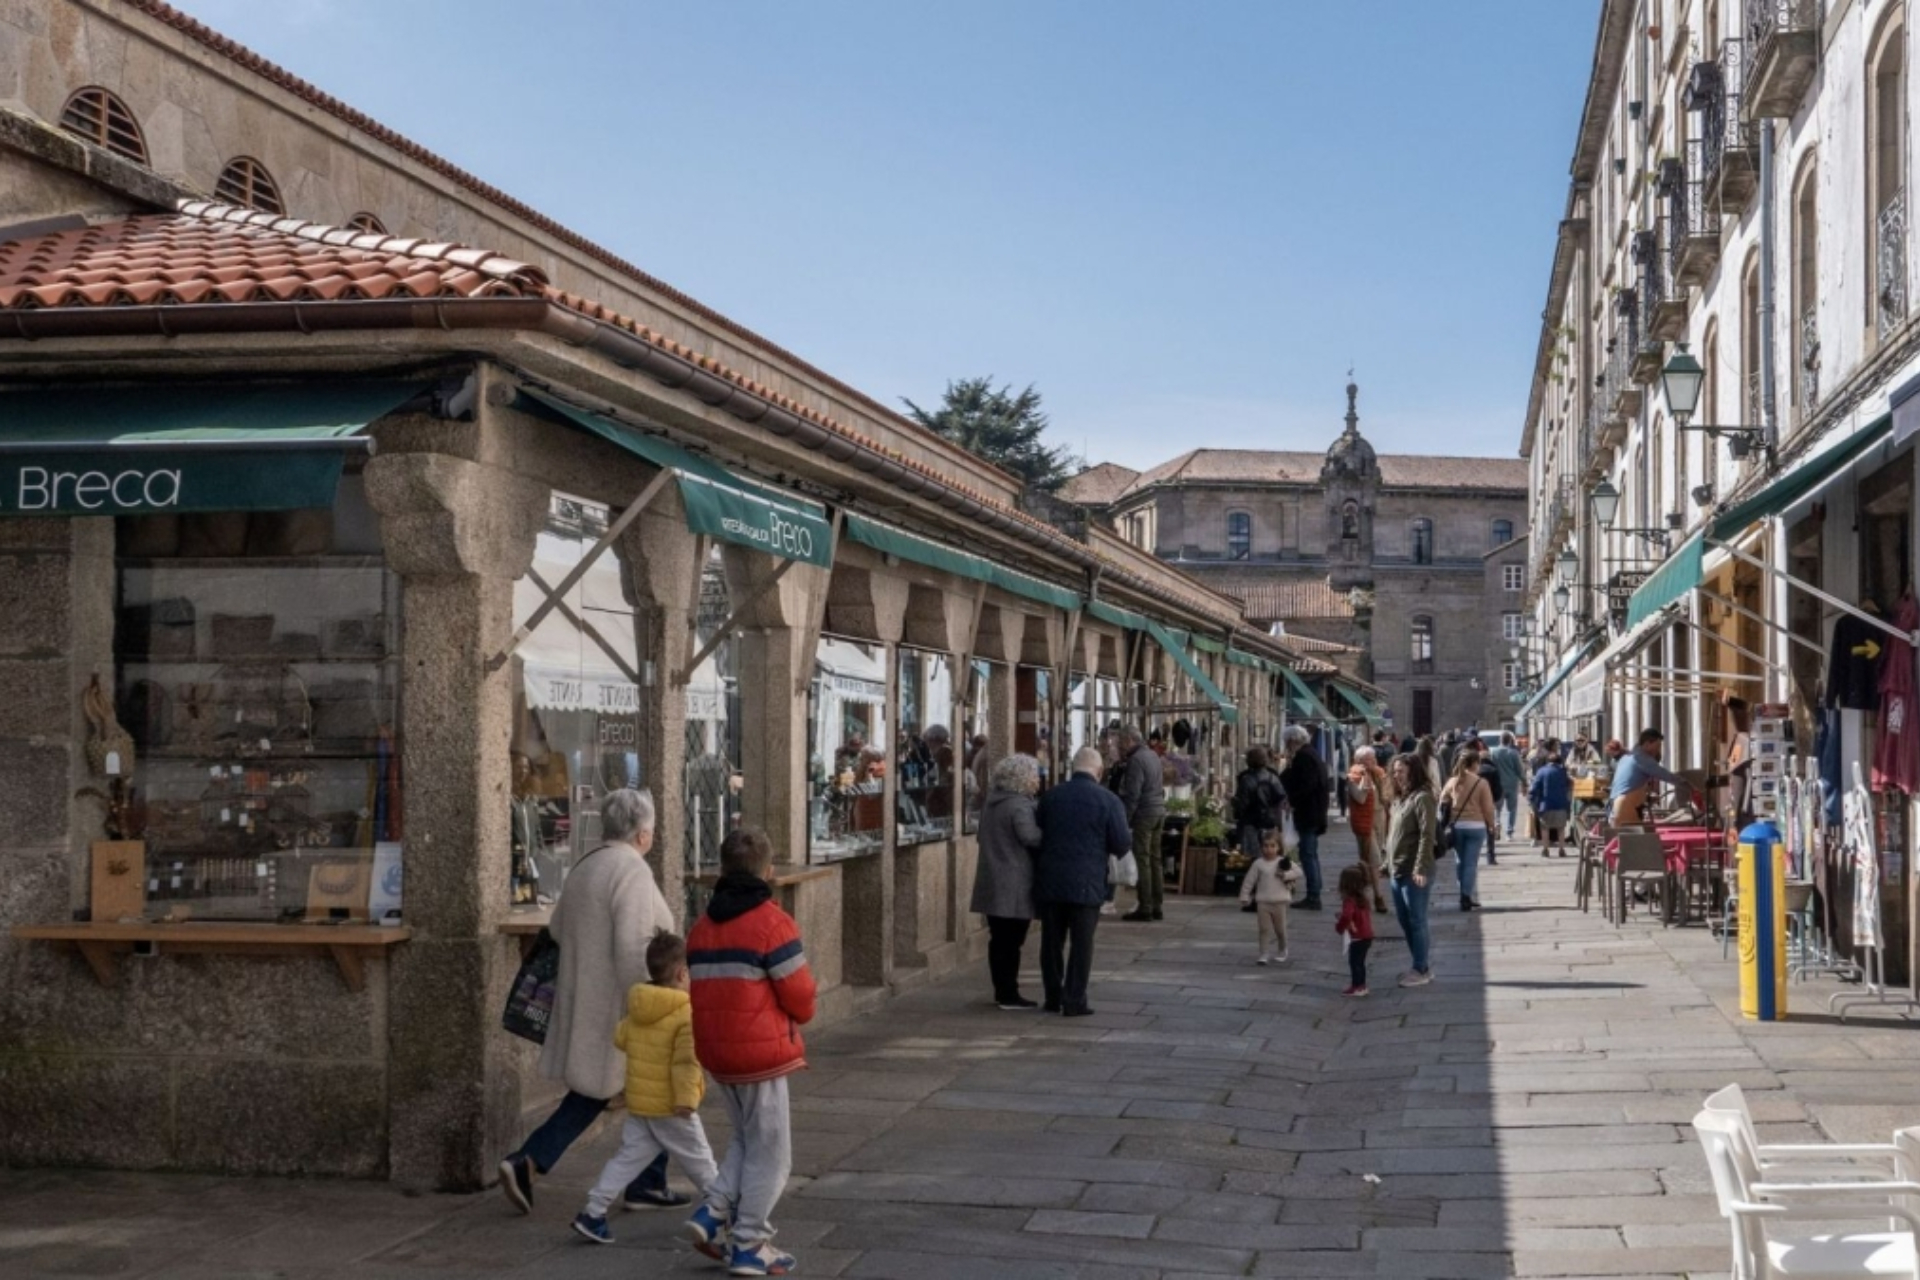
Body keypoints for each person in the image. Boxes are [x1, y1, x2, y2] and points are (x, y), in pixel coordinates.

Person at [500, 789, 680, 1216]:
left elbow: (559, 927)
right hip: (620, 1006)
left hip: (586, 998)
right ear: (641, 833)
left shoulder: (588, 865)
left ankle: (645, 1180)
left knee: (629, 1092)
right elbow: (636, 947)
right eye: (650, 829)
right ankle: (529, 1160)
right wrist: (656, 1003)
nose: (651, 836)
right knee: (641, 1090)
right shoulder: (631, 872)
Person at [684, 827, 816, 1277]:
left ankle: (713, 1210)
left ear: (722, 870)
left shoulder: (701, 926)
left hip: (717, 1051)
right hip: (760, 1054)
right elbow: (800, 997)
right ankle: (749, 1243)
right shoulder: (772, 923)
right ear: (769, 870)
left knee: (746, 1139)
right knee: (773, 1153)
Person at [571, 934, 720, 1246]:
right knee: (701, 1160)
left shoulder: (639, 1006)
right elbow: (686, 1063)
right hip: (671, 1107)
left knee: (626, 1159)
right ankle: (722, 1212)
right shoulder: (685, 1014)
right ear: (682, 974)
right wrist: (687, 1099)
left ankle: (593, 1211)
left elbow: (620, 1038)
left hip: (641, 1104)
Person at [1036, 745, 1133, 1015]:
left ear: (1072, 768)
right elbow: (1121, 843)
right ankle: (1074, 999)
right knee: (1082, 942)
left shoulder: (1051, 796)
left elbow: (1038, 832)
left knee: (1051, 941)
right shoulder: (1109, 801)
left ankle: (1053, 996)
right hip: (1088, 881)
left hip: (1051, 879)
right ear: (1099, 771)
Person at [970, 753, 1045, 1010]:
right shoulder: (1019, 806)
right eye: (1035, 775)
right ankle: (1008, 993)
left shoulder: (992, 803)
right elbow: (1031, 838)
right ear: (1023, 778)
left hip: (992, 877)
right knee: (1012, 940)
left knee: (999, 938)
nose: (1038, 780)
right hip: (1013, 880)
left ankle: (1002, 989)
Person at [1385, 754, 1438, 987]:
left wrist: (1421, 867)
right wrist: (1385, 864)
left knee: (1417, 920)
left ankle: (1421, 968)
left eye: (1401, 772)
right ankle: (1420, 963)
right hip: (1397, 868)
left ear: (1413, 772)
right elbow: (1393, 836)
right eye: (1395, 772)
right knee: (1404, 920)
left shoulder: (1422, 798)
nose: (1397, 776)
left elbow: (1428, 835)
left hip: (1413, 869)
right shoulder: (1399, 800)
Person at [1115, 724, 1169, 923]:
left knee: (1143, 860)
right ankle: (1157, 905)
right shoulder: (1152, 755)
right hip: (1158, 810)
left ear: (1130, 740)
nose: (1120, 746)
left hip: (1144, 813)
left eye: (1121, 742)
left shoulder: (1136, 760)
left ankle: (1145, 906)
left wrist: (1124, 820)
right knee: (1155, 859)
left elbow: (1132, 794)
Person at [1278, 725, 1330, 910]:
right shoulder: (1310, 754)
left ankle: (1314, 895)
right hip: (1314, 812)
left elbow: (1307, 785)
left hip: (1309, 813)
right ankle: (1315, 891)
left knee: (1307, 854)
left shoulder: (1305, 757)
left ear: (1293, 741)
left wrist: (1291, 800)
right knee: (1310, 854)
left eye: (1286, 742)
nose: (1286, 746)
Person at [1238, 829, 1302, 965]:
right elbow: (1249, 880)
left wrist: (1285, 875)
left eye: (1272, 846)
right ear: (1262, 847)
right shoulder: (1258, 864)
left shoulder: (1283, 862)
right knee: (1263, 929)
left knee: (1280, 929)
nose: (1269, 849)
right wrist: (1244, 895)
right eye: (1266, 846)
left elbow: (1298, 872)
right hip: (1263, 901)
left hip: (1280, 902)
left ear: (1278, 847)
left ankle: (1282, 949)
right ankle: (1263, 953)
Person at [1440, 753, 1495, 912]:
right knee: (1471, 863)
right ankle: (1465, 896)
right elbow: (1488, 807)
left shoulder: (1452, 781)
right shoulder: (1481, 783)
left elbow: (1442, 802)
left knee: (1460, 861)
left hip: (1457, 826)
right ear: (1475, 764)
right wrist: (1491, 824)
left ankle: (1464, 894)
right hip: (1476, 826)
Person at [1609, 727, 1697, 826]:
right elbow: (1667, 776)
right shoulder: (1642, 759)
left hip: (1615, 807)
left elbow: (1629, 785)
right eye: (1657, 746)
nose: (1658, 750)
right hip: (1624, 808)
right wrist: (1690, 787)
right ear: (1647, 744)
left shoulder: (1628, 756)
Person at [1346, 747, 1391, 912]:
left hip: (1380, 819)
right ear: (1359, 761)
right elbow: (1360, 798)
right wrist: (1365, 780)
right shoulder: (1353, 777)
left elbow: (1387, 796)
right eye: (1369, 759)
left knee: (1368, 861)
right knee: (1375, 860)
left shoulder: (1378, 774)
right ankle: (1378, 896)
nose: (1373, 761)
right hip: (1365, 822)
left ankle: (1358, 892)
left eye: (1374, 758)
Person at [1232, 746, 1286, 860]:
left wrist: (1232, 800)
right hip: (1270, 823)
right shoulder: (1273, 778)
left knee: (1251, 857)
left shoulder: (1246, 780)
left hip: (1250, 823)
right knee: (1271, 857)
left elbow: (1242, 805)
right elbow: (1281, 799)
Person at [1335, 864, 1375, 998]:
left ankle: (1357, 986)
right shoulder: (1363, 899)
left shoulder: (1349, 901)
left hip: (1358, 937)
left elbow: (1347, 916)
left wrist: (1340, 927)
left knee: (1355, 962)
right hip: (1367, 935)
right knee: (1360, 962)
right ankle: (1361, 985)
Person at [1530, 752, 1574, 857]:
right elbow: (1570, 784)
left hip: (1545, 805)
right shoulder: (1563, 772)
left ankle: (1545, 850)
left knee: (1545, 827)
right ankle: (1561, 850)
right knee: (1561, 828)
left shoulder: (1541, 771)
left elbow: (1535, 788)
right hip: (1561, 804)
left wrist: (1532, 800)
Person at [1489, 732, 1527, 841]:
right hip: (1512, 783)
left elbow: (1491, 767)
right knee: (1512, 809)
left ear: (1500, 740)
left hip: (1498, 783)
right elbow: (1519, 769)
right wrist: (1524, 782)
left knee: (1497, 807)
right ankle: (1509, 832)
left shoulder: (1494, 752)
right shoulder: (1513, 753)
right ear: (1510, 741)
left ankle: (1497, 824)